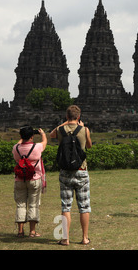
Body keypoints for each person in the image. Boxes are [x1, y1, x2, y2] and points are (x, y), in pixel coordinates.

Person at [50, 105, 92, 245]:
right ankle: (85, 238)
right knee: (84, 206)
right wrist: (83, 128)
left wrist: (64, 123)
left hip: (66, 172)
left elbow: (51, 135)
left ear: (67, 117)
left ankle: (65, 239)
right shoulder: (84, 129)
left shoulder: (60, 130)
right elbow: (89, 146)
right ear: (78, 117)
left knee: (66, 206)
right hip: (81, 170)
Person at [13, 126, 47, 238]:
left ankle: (20, 231)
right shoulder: (37, 147)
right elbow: (44, 142)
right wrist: (42, 134)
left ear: (21, 137)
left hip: (19, 179)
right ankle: (32, 231)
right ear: (32, 136)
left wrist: (22, 138)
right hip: (34, 178)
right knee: (33, 204)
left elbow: (19, 143)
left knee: (20, 205)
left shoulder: (16, 148)